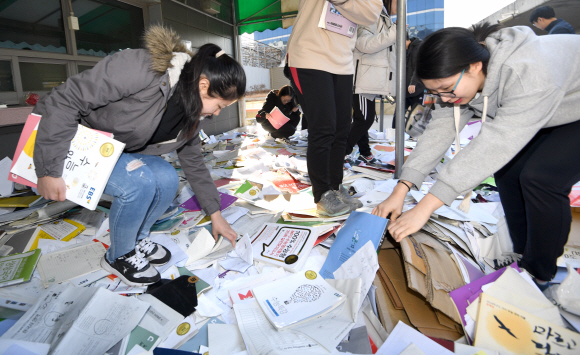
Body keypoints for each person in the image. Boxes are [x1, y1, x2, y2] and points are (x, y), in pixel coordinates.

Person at [33, 26, 245, 286]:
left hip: (112, 149)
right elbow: (65, 100)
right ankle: (118, 254)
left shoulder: (193, 111)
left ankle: (137, 238)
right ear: (204, 85)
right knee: (139, 181)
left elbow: (194, 161)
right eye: (220, 105)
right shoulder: (142, 68)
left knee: (167, 178)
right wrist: (48, 170)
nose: (217, 113)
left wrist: (216, 214)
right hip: (70, 137)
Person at [372, 23, 580, 288]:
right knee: (508, 172)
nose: (444, 99)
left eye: (446, 89)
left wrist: (425, 208)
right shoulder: (455, 81)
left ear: (474, 66)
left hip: (566, 103)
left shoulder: (527, 72)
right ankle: (522, 256)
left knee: (541, 178)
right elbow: (438, 132)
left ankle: (539, 272)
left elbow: (495, 144)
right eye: (436, 93)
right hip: (555, 106)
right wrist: (400, 190)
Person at [287, 0, 382, 216]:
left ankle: (336, 187)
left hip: (343, 62)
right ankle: (321, 194)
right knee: (323, 129)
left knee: (341, 129)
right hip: (309, 55)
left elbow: (371, 15)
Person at [346, 0, 397, 166]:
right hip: (362, 78)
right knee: (364, 120)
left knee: (363, 119)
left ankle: (365, 153)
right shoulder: (371, 14)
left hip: (369, 78)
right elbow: (363, 43)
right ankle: (340, 153)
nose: (402, 4)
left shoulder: (382, 17)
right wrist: (394, 33)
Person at [391, 32, 426, 129]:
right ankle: (395, 135)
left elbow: (419, 67)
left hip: (416, 88)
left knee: (417, 114)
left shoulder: (419, 47)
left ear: (406, 40)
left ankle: (415, 137)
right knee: (399, 113)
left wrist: (414, 83)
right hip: (403, 88)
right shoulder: (403, 50)